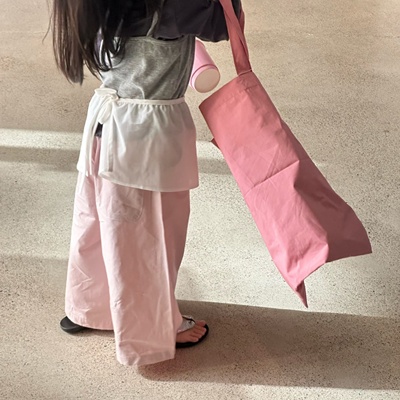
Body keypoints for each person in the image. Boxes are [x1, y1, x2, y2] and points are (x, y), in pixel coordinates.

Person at [50, 0, 242, 366]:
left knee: (98, 223)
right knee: (151, 236)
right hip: (146, 136)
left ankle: (90, 306)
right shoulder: (170, 6)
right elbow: (224, 24)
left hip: (105, 127)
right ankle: (155, 328)